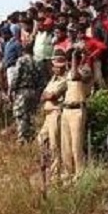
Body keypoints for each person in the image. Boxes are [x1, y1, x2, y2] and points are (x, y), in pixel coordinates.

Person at [60, 48, 92, 177]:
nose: (68, 63)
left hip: (78, 110)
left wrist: (75, 57)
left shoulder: (85, 70)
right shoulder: (67, 73)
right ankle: (68, 173)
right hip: (66, 109)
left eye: (71, 60)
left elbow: (75, 76)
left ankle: (79, 174)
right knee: (66, 145)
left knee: (76, 145)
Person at [39, 50, 68, 180]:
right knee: (41, 138)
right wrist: (46, 95)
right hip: (48, 113)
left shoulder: (64, 80)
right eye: (55, 66)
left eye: (59, 66)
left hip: (56, 112)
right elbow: (43, 95)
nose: (56, 69)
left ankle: (56, 172)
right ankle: (47, 164)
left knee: (55, 143)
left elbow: (52, 95)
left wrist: (47, 95)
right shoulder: (53, 79)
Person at [12, 42, 43, 142]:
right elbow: (41, 79)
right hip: (34, 91)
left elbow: (16, 76)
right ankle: (32, 137)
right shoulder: (37, 61)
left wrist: (12, 88)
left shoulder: (21, 60)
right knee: (32, 115)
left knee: (21, 114)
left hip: (22, 91)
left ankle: (22, 138)